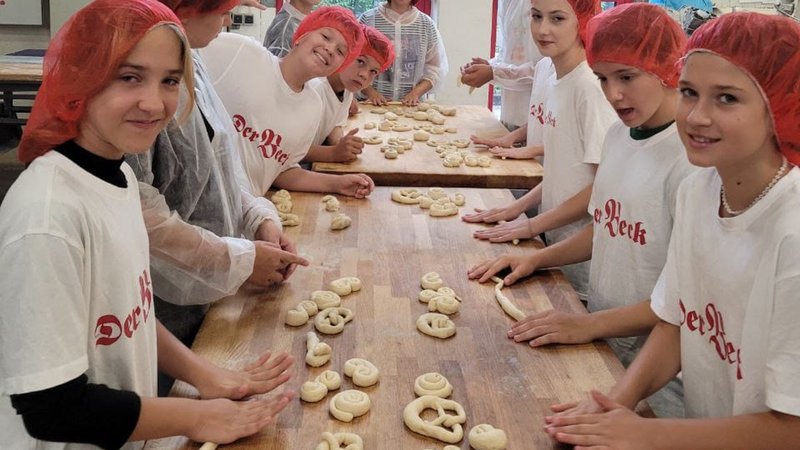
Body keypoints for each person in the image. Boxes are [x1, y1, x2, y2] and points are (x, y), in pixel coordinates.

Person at [0, 1, 294, 448]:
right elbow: (53, 410)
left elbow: (130, 312)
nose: (154, 103)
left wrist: (207, 376)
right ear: (83, 76)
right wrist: (196, 417)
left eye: (170, 81)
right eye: (129, 77)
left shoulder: (116, 178)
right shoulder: (48, 219)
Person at [545, 12, 800, 448]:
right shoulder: (701, 190)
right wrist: (616, 402)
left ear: (779, 104)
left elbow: (791, 426)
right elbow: (678, 319)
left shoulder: (790, 232)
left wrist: (647, 433)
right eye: (689, 92)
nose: (697, 116)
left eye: (727, 99)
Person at [470, 3, 694, 418]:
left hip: (658, 365)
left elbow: (684, 303)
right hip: (600, 326)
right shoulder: (621, 135)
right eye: (603, 77)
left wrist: (589, 324)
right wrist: (535, 257)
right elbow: (606, 225)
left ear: (667, 69)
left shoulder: (690, 164)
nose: (613, 94)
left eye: (626, 77)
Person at [127, 0, 309, 353]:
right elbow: (141, 216)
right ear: (191, 7)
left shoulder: (192, 64)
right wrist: (238, 261)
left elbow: (222, 164)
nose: (228, 20)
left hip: (209, 293)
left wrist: (258, 220)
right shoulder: (144, 94)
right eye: (224, 9)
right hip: (161, 307)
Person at [466, 0, 616, 300]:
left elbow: (603, 187)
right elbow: (564, 167)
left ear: (583, 21)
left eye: (557, 18)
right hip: (552, 237)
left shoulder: (589, 87)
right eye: (536, 16)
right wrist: (517, 209)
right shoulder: (549, 68)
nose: (543, 29)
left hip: (581, 254)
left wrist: (530, 223)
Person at [200, 6, 375, 198]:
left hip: (243, 216)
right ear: (301, 36)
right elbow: (181, 44)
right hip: (189, 206)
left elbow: (282, 170)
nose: (330, 49)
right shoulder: (243, 53)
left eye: (341, 51)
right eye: (326, 36)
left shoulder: (313, 107)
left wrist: (337, 183)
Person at [304, 25, 395, 164]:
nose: (364, 75)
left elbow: (334, 126)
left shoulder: (346, 91)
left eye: (373, 72)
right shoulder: (315, 89)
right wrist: (334, 153)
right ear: (346, 54)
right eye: (360, 61)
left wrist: (343, 144)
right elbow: (289, 150)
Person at [460, 0, 542, 132]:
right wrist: (490, 65)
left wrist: (493, 73)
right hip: (509, 113)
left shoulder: (547, 7)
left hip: (539, 119)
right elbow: (508, 53)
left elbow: (546, 69)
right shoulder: (507, 3)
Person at [358, 0, 448, 106]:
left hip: (411, 107)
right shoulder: (367, 20)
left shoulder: (426, 25)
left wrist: (415, 93)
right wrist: (371, 93)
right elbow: (352, 63)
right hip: (370, 105)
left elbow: (434, 70)